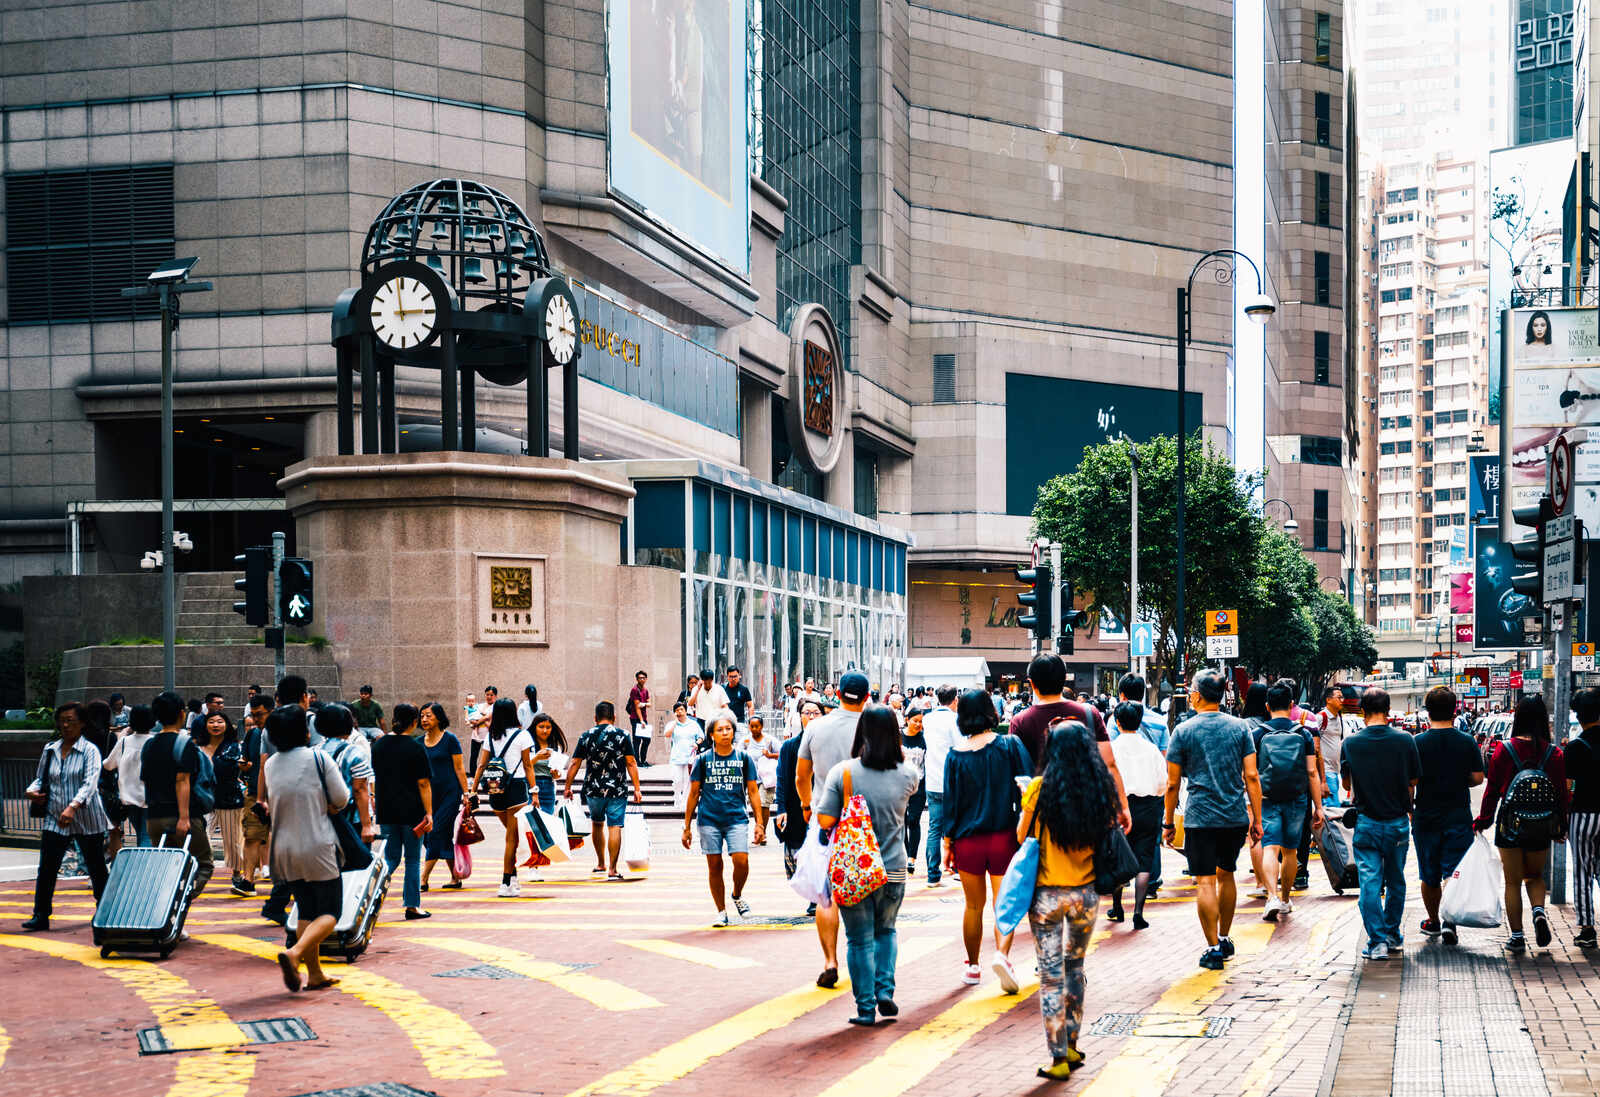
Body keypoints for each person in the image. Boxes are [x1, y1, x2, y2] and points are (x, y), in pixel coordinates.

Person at [1017, 722, 1118, 1079]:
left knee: (1050, 976)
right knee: (1075, 968)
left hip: (1046, 895)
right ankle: (1073, 1044)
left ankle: (1057, 1056)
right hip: (1086, 894)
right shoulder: (1100, 789)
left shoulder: (1037, 789)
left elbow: (1021, 835)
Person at [815, 704, 920, 1026]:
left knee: (859, 939)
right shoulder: (908, 773)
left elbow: (825, 818)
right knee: (886, 931)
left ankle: (865, 1008)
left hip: (854, 869)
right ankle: (885, 990)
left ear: (862, 732)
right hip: (894, 868)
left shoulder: (843, 773)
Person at [1163, 669, 1262, 970]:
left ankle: (1212, 947)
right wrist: (1256, 819)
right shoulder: (1240, 728)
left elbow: (1172, 783)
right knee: (1227, 874)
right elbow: (1252, 776)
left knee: (1205, 880)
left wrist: (1168, 823)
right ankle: (1225, 936)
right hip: (1234, 816)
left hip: (1200, 817)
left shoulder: (1183, 731)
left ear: (1196, 694)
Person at [941, 686, 1033, 991]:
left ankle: (972, 966)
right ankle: (1002, 956)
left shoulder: (954, 757)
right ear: (990, 712)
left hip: (967, 841)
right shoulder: (1009, 746)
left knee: (972, 906)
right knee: (1002, 903)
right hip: (1004, 837)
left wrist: (947, 843)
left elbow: (950, 805)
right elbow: (1027, 787)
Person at [260, 704, 348, 992]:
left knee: (306, 910)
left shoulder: (270, 764)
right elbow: (341, 798)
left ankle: (315, 974)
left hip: (284, 847)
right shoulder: (318, 758)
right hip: (317, 843)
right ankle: (295, 953)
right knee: (331, 911)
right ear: (303, 730)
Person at [1474, 694, 1569, 954]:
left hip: (1510, 826)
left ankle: (1517, 936)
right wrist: (1562, 826)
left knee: (1512, 881)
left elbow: (1491, 790)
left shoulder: (1505, 750)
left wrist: (1483, 820)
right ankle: (1538, 911)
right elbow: (1562, 793)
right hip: (1542, 826)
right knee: (1535, 876)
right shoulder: (1555, 754)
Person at [796, 670, 871, 988]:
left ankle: (830, 960)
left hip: (825, 818)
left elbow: (802, 775)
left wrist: (805, 805)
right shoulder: (874, 728)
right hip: (866, 821)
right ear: (867, 698)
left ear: (837, 694)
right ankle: (864, 961)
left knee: (827, 895)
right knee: (864, 894)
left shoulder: (815, 727)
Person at [1340, 688, 1422, 961]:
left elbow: (1346, 784)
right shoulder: (1406, 740)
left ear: (1363, 711)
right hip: (1398, 822)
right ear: (1388, 711)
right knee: (1396, 881)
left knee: (1370, 885)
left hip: (1367, 823)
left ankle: (1377, 943)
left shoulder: (1351, 743)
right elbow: (1413, 782)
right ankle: (1392, 935)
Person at [1008, 656, 1131, 828]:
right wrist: (1122, 806)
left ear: (1032, 683)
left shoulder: (1020, 721)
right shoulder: (1089, 713)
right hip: (1087, 811)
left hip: (1041, 815)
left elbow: (1016, 773)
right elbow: (1109, 764)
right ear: (1064, 679)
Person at [22, 702, 112, 931]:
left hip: (86, 818)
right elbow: (41, 778)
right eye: (62, 720)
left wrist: (73, 807)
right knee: (47, 867)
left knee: (96, 867)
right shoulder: (50, 749)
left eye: (71, 720)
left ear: (82, 723)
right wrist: (31, 791)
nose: (65, 725)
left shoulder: (90, 750)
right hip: (55, 817)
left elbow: (90, 783)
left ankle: (105, 913)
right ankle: (40, 914)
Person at [1413, 686, 1486, 946]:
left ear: (1427, 712)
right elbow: (1478, 778)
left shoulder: (1417, 743)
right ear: (1455, 710)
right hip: (1457, 815)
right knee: (1453, 872)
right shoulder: (1467, 741)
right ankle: (1450, 922)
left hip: (1426, 815)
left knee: (1428, 873)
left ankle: (1432, 920)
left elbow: (1411, 780)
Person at [682, 714, 766, 925]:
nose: (725, 733)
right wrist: (687, 827)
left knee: (741, 860)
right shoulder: (703, 760)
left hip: (736, 818)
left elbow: (753, 791)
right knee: (715, 865)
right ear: (711, 735)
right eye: (720, 730)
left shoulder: (743, 758)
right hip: (709, 819)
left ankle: (737, 895)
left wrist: (759, 822)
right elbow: (693, 794)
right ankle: (721, 910)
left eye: (728, 729)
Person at [1252, 681, 1323, 922]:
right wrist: (1318, 807)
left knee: (1270, 847)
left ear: (1267, 706)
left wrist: (1252, 806)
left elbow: (1250, 774)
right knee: (1291, 851)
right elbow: (1312, 772)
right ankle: (1284, 899)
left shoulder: (1258, 734)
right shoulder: (1303, 733)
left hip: (1267, 798)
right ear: (1292, 704)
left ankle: (1270, 896)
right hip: (1296, 798)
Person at [141, 689, 215, 895]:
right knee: (203, 865)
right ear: (182, 714)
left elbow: (147, 781)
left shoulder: (149, 745)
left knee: (167, 869)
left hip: (154, 816)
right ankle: (180, 904)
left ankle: (169, 915)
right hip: (182, 817)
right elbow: (182, 780)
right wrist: (184, 818)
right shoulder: (185, 744)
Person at [564, 701, 644, 880]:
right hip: (617, 789)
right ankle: (613, 870)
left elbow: (575, 763)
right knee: (614, 826)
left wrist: (567, 786)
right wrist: (637, 789)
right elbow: (631, 762)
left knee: (597, 823)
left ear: (595, 718)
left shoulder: (586, 736)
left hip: (593, 789)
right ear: (614, 717)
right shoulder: (623, 735)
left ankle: (601, 863)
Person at [1107, 701, 1167, 929]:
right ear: (1139, 721)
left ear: (1117, 721)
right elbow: (1163, 781)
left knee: (1119, 856)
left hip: (1120, 807)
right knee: (1144, 859)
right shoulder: (1150, 749)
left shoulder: (1112, 748)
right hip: (1149, 806)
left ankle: (1117, 906)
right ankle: (1139, 912)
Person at [372, 710, 435, 920]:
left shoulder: (378, 745)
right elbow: (424, 783)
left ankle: (369, 894)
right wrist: (429, 813)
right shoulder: (415, 747)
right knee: (412, 859)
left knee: (391, 857)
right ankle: (412, 906)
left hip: (386, 810)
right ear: (414, 722)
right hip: (412, 812)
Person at [471, 698, 536, 896]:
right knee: (512, 839)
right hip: (515, 787)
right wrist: (534, 790)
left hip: (494, 788)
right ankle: (505, 882)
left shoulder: (491, 736)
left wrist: (473, 790)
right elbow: (528, 765)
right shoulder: (523, 735)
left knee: (512, 836)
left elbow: (481, 765)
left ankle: (513, 879)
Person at [414, 702, 468, 891]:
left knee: (435, 831)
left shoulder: (450, 739)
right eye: (422, 716)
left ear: (438, 718)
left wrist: (467, 793)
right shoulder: (418, 743)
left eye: (428, 715)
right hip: (428, 796)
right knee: (439, 836)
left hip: (450, 793)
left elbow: (459, 768)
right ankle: (455, 877)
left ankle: (423, 878)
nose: (424, 719)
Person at [316, 704, 378, 851]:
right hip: (351, 820)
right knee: (356, 869)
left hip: (321, 820)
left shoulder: (314, 751)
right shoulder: (355, 752)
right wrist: (367, 826)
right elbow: (359, 789)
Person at [200, 709, 248, 891]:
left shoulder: (233, 747)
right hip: (203, 801)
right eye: (211, 721)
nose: (215, 725)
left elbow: (228, 770)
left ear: (226, 725)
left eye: (219, 721)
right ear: (205, 725)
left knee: (232, 840)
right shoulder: (198, 747)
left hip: (229, 799)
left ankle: (237, 874)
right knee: (201, 837)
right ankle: (200, 869)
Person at [775, 698, 823, 880]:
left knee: (821, 851)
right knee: (798, 854)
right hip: (796, 808)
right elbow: (782, 779)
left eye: (816, 713)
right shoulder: (789, 746)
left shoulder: (828, 744)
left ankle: (817, 899)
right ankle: (811, 892)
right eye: (807, 713)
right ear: (799, 717)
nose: (811, 717)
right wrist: (781, 809)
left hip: (822, 806)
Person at [1568, 687, 1600, 950]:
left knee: (1582, 871)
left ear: (1579, 717)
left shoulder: (1576, 747)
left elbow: (1567, 787)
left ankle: (1588, 929)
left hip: (1583, 814)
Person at [919, 684, 959, 889]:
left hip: (933, 780)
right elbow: (959, 748)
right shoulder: (955, 720)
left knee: (934, 827)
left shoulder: (927, 719)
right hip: (952, 781)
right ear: (955, 699)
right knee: (959, 825)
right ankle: (958, 868)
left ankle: (932, 875)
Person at [236, 692, 275, 893]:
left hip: (280, 792)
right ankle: (248, 880)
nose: (256, 719)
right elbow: (257, 765)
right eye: (253, 715)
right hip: (255, 791)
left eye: (260, 715)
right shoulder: (254, 733)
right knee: (252, 834)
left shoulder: (281, 731)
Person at [103, 704, 155, 848]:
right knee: (145, 836)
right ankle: (144, 868)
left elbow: (108, 765)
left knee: (140, 834)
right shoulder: (154, 742)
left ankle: (141, 866)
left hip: (128, 798)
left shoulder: (124, 741)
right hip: (149, 798)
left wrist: (120, 736)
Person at [900, 712, 928, 876]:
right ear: (907, 720)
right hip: (900, 785)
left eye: (921, 722)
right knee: (902, 821)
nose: (918, 724)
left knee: (914, 820)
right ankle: (906, 851)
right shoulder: (898, 737)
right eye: (915, 721)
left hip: (919, 784)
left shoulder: (924, 739)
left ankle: (912, 858)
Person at [747, 715, 780, 835]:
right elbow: (737, 753)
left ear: (762, 726)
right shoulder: (746, 741)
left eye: (757, 726)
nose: (755, 729)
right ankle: (759, 827)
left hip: (767, 778)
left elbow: (782, 753)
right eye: (752, 726)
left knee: (764, 804)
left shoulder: (769, 740)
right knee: (755, 806)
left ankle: (763, 831)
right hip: (751, 778)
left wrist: (770, 755)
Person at [529, 713, 568, 815]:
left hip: (548, 787)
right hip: (531, 786)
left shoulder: (555, 747)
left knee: (546, 820)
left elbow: (559, 773)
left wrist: (556, 774)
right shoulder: (528, 745)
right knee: (531, 821)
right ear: (535, 727)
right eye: (541, 727)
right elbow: (524, 766)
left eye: (548, 727)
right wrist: (537, 757)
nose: (545, 730)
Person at [667, 702, 702, 809]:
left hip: (689, 758)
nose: (679, 712)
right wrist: (675, 722)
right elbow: (667, 734)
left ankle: (685, 802)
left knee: (688, 781)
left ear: (686, 711)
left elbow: (701, 737)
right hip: (676, 757)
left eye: (681, 709)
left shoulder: (693, 724)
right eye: (677, 710)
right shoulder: (672, 724)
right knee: (677, 780)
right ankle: (677, 800)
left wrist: (697, 743)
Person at [626, 671, 652, 764]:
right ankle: (637, 761)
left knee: (647, 739)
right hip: (635, 718)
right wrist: (641, 721)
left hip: (643, 718)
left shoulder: (645, 690)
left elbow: (649, 704)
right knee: (637, 740)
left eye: (644, 677)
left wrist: (643, 704)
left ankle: (643, 760)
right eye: (640, 678)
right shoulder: (634, 690)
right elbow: (637, 707)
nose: (642, 679)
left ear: (646, 679)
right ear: (637, 679)